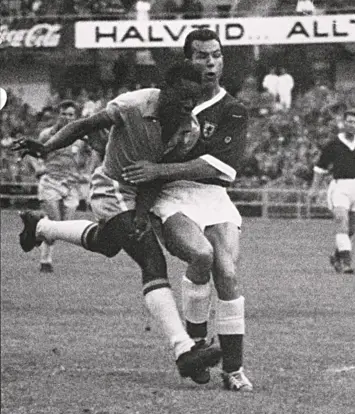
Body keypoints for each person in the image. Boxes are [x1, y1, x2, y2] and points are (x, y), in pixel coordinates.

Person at [13, 61, 222, 384]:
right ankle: (184, 350)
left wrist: (141, 213)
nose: (187, 104)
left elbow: (158, 174)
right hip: (111, 187)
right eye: (182, 95)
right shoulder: (133, 105)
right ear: (166, 89)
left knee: (107, 243)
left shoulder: (188, 129)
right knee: (151, 258)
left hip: (139, 195)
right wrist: (47, 147)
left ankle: (40, 227)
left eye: (194, 98)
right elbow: (84, 125)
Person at [122, 29, 252, 391]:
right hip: (171, 196)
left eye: (216, 55)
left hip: (212, 195)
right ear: (187, 61)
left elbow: (219, 167)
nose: (210, 62)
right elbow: (128, 133)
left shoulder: (233, 109)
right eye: (201, 56)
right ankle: (196, 349)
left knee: (227, 271)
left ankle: (234, 369)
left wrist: (159, 169)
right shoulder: (164, 103)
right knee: (201, 254)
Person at [23, 100, 99, 273]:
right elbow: (29, 152)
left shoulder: (81, 138)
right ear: (58, 114)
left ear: (76, 117)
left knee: (63, 225)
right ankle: (45, 261)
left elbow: (95, 151)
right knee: (54, 222)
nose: (67, 117)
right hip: (50, 182)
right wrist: (38, 167)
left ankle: (34, 229)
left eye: (71, 114)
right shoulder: (46, 134)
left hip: (71, 184)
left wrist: (87, 171)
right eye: (64, 114)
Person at [309, 109, 355, 274]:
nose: (352, 125)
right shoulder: (333, 144)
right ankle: (347, 263)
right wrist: (314, 188)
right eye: (349, 121)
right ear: (343, 123)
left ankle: (337, 256)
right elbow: (320, 167)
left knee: (351, 229)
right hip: (339, 186)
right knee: (341, 221)